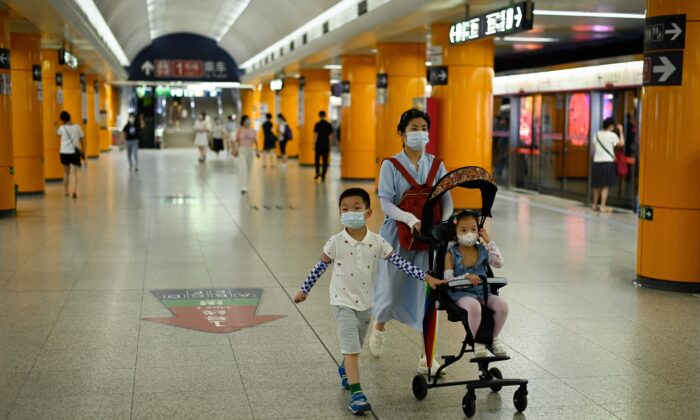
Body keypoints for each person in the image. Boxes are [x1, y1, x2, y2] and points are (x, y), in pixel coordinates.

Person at [294, 188, 445, 415]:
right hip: (341, 301)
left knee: (358, 343)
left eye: (356, 208)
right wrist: (304, 290)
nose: (350, 213)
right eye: (345, 209)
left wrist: (426, 276)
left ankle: (345, 370)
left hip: (366, 303)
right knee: (352, 349)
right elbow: (320, 266)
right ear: (339, 213)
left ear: (368, 213)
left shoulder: (377, 242)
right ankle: (357, 394)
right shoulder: (335, 241)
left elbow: (400, 263)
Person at [369, 108, 453, 374]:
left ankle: (426, 355)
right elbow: (385, 202)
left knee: (426, 295)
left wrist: (441, 226)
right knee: (391, 288)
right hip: (398, 236)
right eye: (413, 128)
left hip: (428, 240)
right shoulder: (390, 165)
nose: (419, 133)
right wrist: (409, 219)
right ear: (402, 134)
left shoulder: (437, 165)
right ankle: (379, 325)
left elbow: (447, 201)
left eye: (423, 128)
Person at [444, 210, 509, 358]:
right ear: (455, 232)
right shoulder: (451, 253)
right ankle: (478, 342)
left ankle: (492, 339)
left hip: (483, 292)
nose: (469, 233)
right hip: (461, 293)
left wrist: (488, 240)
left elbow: (498, 262)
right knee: (474, 306)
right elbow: (448, 280)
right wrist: (466, 277)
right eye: (464, 230)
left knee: (502, 306)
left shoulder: (483, 250)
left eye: (473, 229)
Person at [592, 117, 624, 212]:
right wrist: (621, 131)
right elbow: (621, 143)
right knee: (605, 185)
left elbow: (594, 147)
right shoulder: (612, 135)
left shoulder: (596, 134)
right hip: (607, 162)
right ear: (611, 126)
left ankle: (594, 205)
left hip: (597, 162)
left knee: (597, 185)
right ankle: (602, 206)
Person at [56, 111, 84, 198]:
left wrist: (55, 126)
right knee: (74, 173)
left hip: (64, 152)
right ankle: (75, 191)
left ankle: (66, 191)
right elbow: (82, 139)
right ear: (70, 118)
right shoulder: (77, 127)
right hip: (74, 153)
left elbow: (57, 134)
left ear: (62, 120)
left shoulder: (61, 128)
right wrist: (83, 150)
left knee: (66, 172)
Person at [235, 115, 260, 194]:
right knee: (243, 168)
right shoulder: (239, 130)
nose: (249, 121)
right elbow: (236, 140)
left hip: (250, 150)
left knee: (249, 168)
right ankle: (243, 186)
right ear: (243, 122)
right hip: (242, 150)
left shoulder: (253, 130)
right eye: (247, 120)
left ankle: (246, 184)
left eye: (249, 120)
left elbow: (256, 141)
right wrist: (235, 150)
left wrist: (257, 151)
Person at [313, 110, 334, 181]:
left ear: (319, 116)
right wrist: (330, 145)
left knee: (317, 160)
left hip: (318, 145)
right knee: (325, 161)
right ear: (325, 115)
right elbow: (330, 136)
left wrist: (314, 144)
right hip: (326, 145)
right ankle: (323, 174)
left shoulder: (317, 124)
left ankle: (317, 173)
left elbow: (315, 135)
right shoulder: (328, 125)